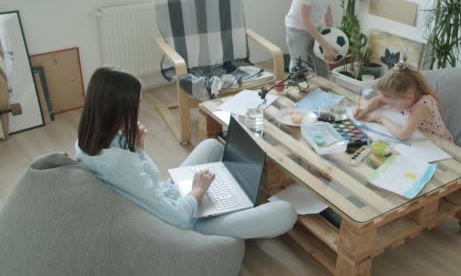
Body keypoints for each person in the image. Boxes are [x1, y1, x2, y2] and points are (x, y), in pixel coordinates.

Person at [75, 67, 296, 239]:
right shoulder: (117, 162)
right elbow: (178, 218)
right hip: (183, 223)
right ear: (120, 109)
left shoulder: (90, 139)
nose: (140, 109)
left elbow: (146, 180)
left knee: (211, 146)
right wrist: (197, 192)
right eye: (138, 103)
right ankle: (227, 205)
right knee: (286, 212)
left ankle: (229, 199)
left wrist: (138, 148)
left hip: (167, 195)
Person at [353, 62, 454, 142]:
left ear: (409, 97)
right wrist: (364, 110)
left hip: (439, 146)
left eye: (392, 104)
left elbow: (403, 135)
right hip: (420, 138)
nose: (387, 103)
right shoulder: (405, 96)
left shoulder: (422, 107)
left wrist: (381, 118)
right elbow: (379, 99)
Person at [284, 0, 350, 77]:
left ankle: (325, 91)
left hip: (315, 27)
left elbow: (327, 7)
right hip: (297, 29)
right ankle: (296, 89)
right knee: (299, 65)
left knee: (322, 62)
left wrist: (332, 32)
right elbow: (305, 19)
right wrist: (324, 44)